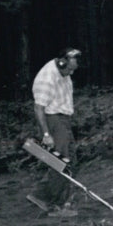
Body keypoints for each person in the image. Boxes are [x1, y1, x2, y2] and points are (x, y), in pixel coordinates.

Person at [31, 47, 82, 216]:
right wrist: (46, 134)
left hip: (63, 119)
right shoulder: (47, 78)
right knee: (61, 162)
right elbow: (38, 108)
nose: (71, 73)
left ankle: (46, 196)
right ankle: (51, 202)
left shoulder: (64, 71)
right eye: (69, 69)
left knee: (69, 159)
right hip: (52, 119)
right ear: (62, 62)